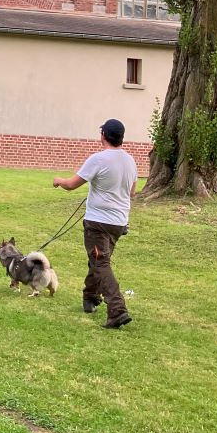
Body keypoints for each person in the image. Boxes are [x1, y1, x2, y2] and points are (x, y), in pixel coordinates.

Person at [53, 117, 137, 329]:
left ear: (103, 136)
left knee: (101, 263)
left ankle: (117, 310)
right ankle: (90, 297)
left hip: (98, 222)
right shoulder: (130, 160)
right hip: (119, 223)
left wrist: (59, 181)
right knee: (98, 261)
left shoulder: (98, 159)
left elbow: (72, 185)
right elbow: (132, 192)